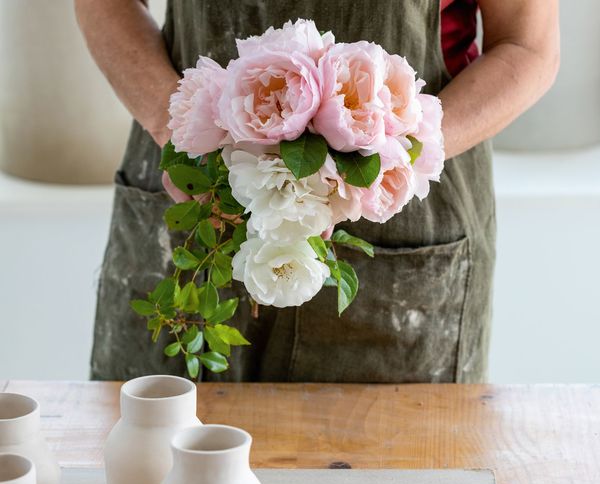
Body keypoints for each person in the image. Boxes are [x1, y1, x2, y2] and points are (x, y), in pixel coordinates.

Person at [75, 0, 559, 383]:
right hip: (195, 208)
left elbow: (527, 44)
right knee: (161, 482)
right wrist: (175, 129)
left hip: (402, 245)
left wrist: (389, 155)